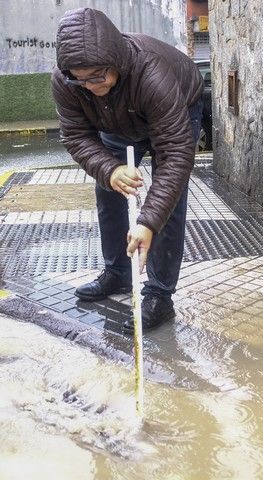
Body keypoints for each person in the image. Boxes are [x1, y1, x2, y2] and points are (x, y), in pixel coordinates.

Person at [51, 7, 204, 333]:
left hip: (177, 104)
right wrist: (109, 170)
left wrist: (148, 221)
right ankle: (118, 271)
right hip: (117, 118)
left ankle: (159, 294)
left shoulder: (151, 72)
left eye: (97, 76)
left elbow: (175, 154)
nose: (90, 86)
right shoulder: (68, 81)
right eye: (80, 79)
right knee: (110, 187)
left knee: (169, 200)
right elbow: (75, 135)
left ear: (116, 62)